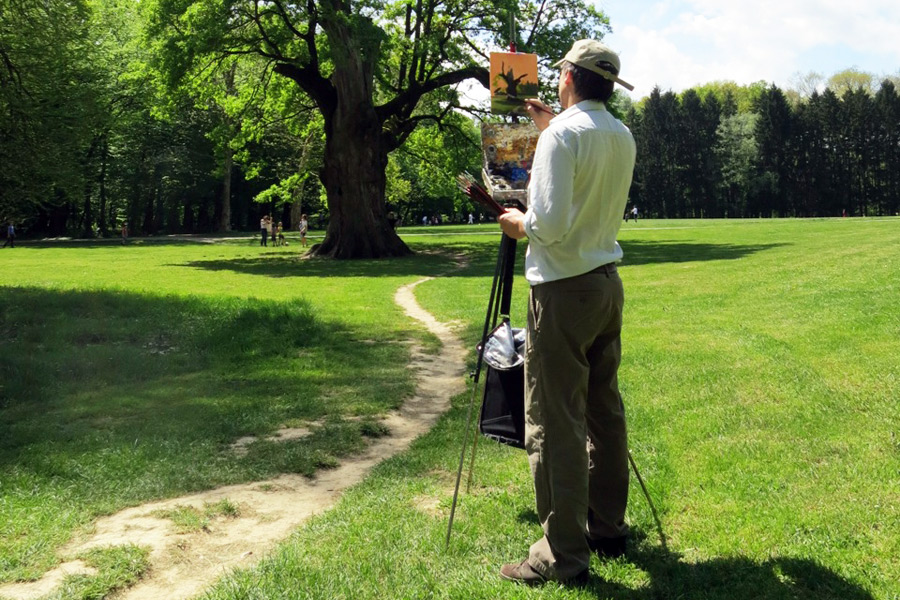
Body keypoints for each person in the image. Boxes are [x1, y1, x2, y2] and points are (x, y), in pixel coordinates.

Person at [496, 39, 637, 587]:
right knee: (603, 410)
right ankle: (607, 526)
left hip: (561, 291)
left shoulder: (561, 135)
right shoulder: (619, 134)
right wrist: (552, 124)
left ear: (570, 78)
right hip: (605, 285)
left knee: (556, 422)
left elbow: (548, 225)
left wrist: (515, 222)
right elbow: (583, 157)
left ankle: (561, 555)